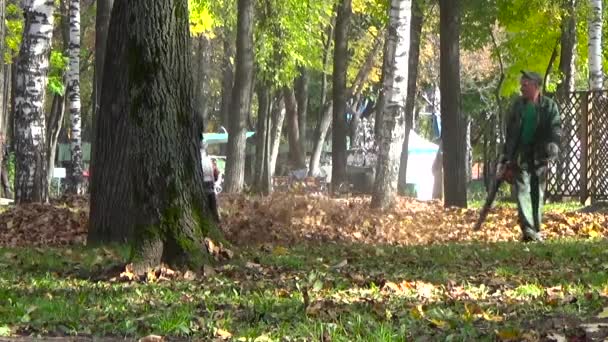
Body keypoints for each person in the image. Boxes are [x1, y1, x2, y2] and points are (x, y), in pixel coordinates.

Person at [498, 71, 561, 242]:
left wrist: (553, 146)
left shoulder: (549, 106)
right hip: (521, 155)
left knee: (537, 192)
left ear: (535, 86)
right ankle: (528, 229)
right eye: (521, 84)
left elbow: (555, 129)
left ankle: (536, 228)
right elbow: (509, 134)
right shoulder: (517, 107)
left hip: (540, 154)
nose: (521, 87)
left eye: (525, 84)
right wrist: (506, 158)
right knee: (522, 189)